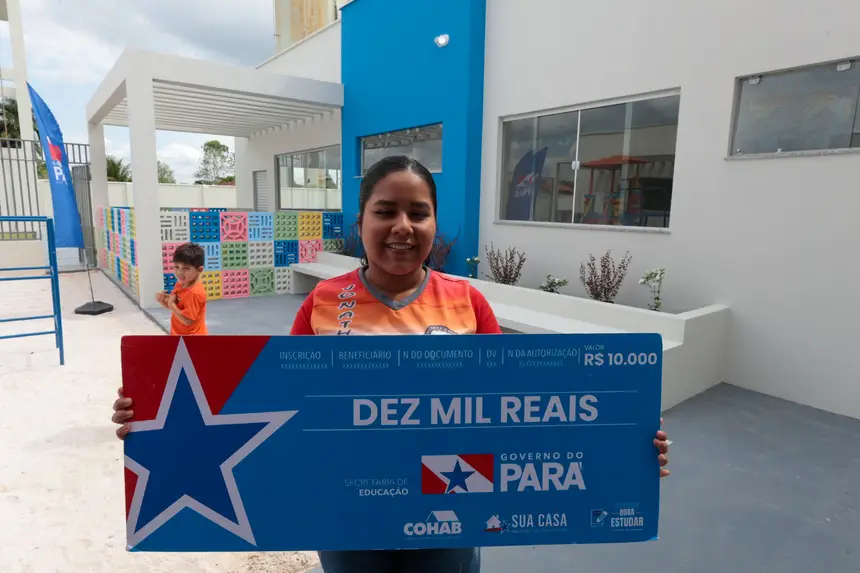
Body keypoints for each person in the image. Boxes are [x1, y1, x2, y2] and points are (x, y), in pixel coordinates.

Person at [113, 156, 671, 572]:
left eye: (418, 213)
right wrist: (155, 419)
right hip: (344, 508)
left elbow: (515, 411)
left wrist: (625, 444)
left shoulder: (469, 303)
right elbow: (278, 402)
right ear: (361, 222)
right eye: (386, 211)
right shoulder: (323, 302)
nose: (402, 226)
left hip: (453, 505)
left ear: (433, 225)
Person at [157, 242, 208, 336]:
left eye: (186, 268)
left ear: (199, 270)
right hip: (179, 335)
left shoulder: (194, 293)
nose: (179, 273)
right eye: (176, 267)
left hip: (192, 340)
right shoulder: (180, 283)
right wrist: (164, 301)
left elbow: (188, 320)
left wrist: (171, 304)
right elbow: (179, 308)